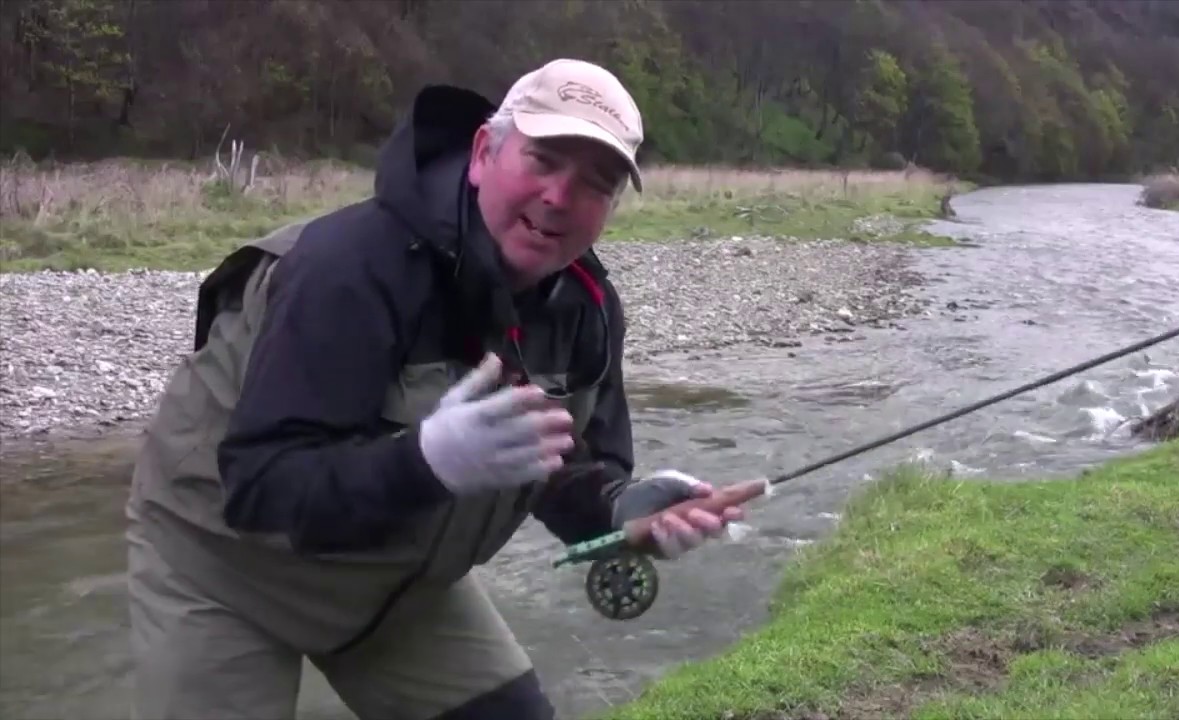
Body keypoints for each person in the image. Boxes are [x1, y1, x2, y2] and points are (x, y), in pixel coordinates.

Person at [124, 58, 747, 720]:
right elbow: (260, 486)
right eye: (542, 160)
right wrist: (427, 462)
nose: (560, 198)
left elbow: (563, 470)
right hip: (223, 572)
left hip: (396, 590)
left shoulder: (586, 310)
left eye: (595, 184)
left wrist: (625, 514)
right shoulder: (350, 269)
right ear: (484, 152)